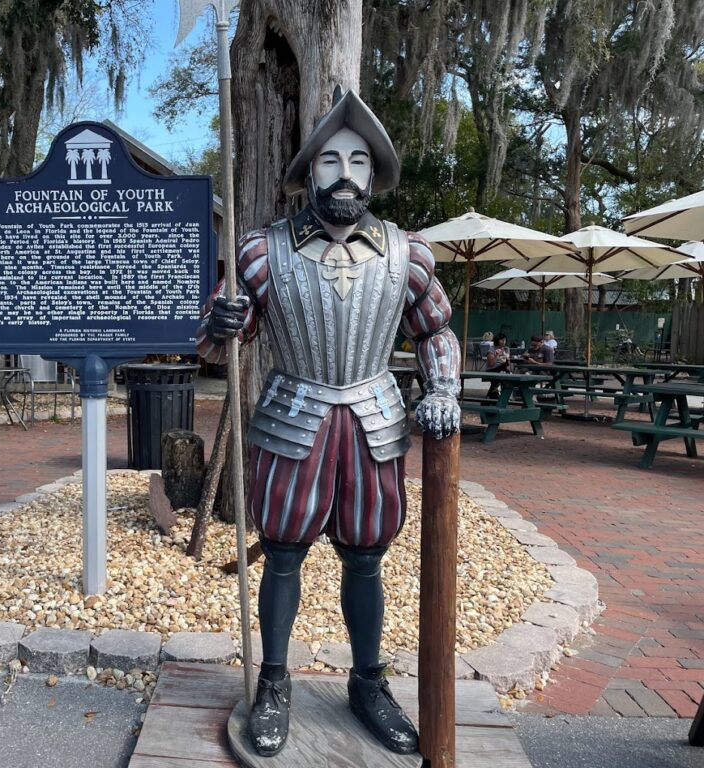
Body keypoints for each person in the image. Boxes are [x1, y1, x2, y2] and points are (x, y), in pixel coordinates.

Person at [198, 88, 460, 757]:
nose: (345, 174)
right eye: (330, 161)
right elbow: (222, 341)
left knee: (366, 557)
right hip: (292, 417)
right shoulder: (264, 251)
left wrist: (445, 388)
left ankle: (369, 682)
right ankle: (275, 683)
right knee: (282, 553)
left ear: (374, 175)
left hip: (374, 419)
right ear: (309, 172)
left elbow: (435, 332)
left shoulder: (408, 254)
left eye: (359, 162)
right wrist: (223, 320)